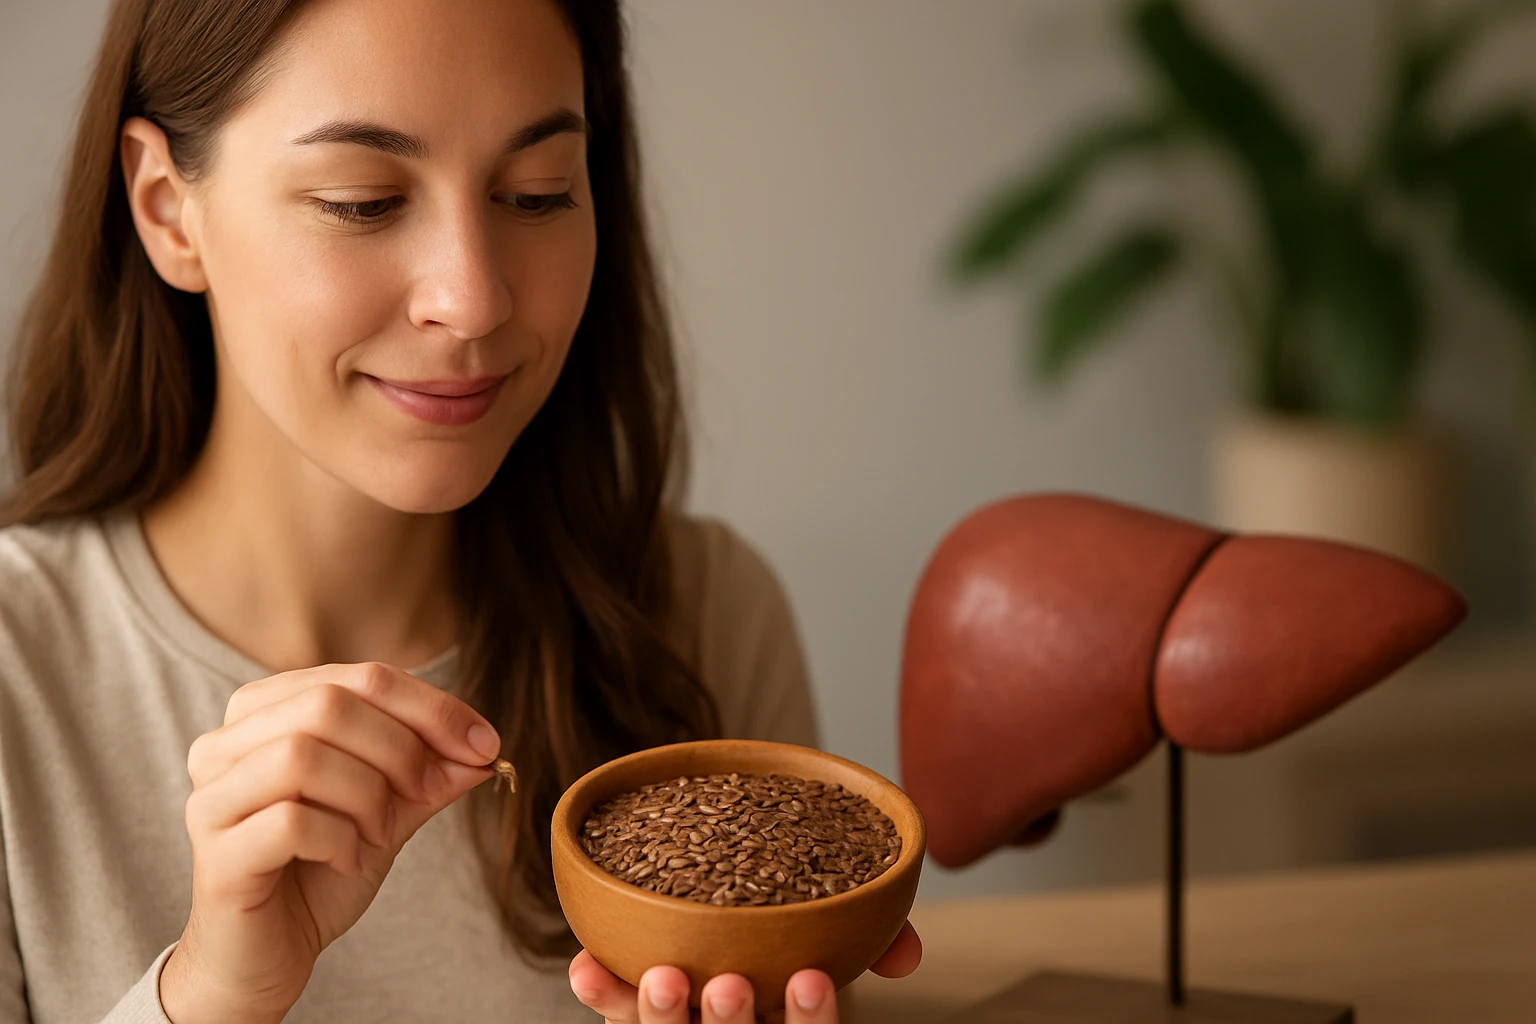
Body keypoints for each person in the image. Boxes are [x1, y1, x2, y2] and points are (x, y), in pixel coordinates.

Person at [0, 0, 922, 1021]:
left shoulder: (704, 613)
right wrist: (211, 992)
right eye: (361, 201)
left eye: (536, 195)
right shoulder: (20, 676)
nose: (472, 298)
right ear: (169, 208)